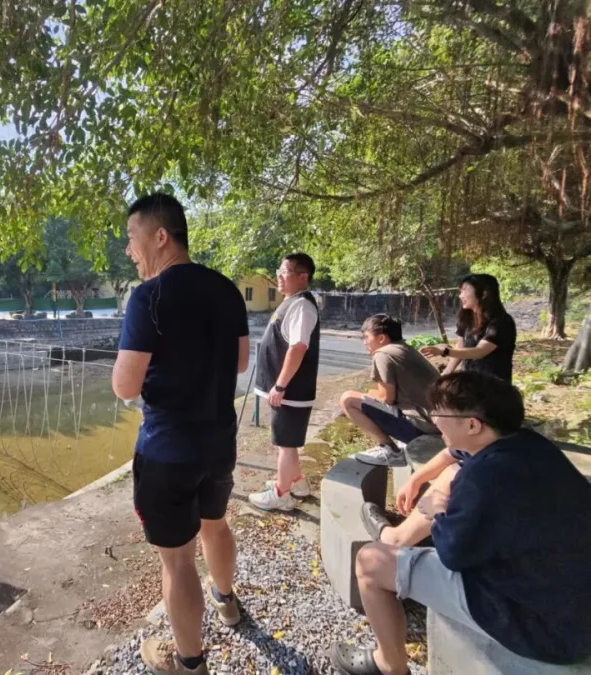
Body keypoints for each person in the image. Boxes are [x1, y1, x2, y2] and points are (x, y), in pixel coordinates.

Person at [330, 371, 591, 675]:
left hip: (541, 626)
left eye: (440, 414)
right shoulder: (527, 443)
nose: (434, 420)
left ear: (472, 425)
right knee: (452, 475)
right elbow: (455, 456)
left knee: (370, 562)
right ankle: (397, 539)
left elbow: (453, 555)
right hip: (568, 595)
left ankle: (389, 665)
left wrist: (437, 511)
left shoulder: (484, 478)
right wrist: (419, 479)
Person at [112, 193, 249, 675]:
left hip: (168, 450)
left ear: (160, 236)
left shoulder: (148, 296)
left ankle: (189, 663)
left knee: (177, 562)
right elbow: (240, 362)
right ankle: (227, 602)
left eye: (131, 237)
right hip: (220, 441)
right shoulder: (227, 289)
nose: (128, 249)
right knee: (216, 524)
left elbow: (125, 386)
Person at [248, 253, 320, 512]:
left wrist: (280, 385)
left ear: (302, 277)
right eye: (279, 271)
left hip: (290, 392)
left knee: (285, 445)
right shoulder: (292, 303)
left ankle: (281, 494)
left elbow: (298, 347)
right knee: (287, 441)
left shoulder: (302, 306)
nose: (279, 276)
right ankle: (296, 482)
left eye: (285, 272)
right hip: (287, 392)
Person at [340, 314, 440, 468]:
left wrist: (369, 393)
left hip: (423, 428)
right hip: (438, 423)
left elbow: (386, 397)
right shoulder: (404, 348)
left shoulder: (383, 354)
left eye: (366, 337)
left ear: (381, 338)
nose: (364, 342)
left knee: (348, 400)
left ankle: (391, 451)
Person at [420, 274, 516, 383]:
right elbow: (460, 347)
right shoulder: (467, 319)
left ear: (484, 293)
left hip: (494, 386)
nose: (460, 296)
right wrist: (446, 373)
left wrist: (444, 351)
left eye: (465, 291)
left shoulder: (501, 322)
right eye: (460, 292)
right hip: (470, 383)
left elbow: (479, 352)